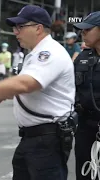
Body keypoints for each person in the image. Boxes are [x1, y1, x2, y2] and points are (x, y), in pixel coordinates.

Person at [0, 5, 75, 180]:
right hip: (33, 137)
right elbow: (36, 88)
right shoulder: (33, 54)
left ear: (38, 28)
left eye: (20, 27)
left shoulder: (49, 52)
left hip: (47, 138)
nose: (16, 32)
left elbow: (26, 84)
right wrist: (5, 94)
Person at [72, 11, 100, 180]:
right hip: (85, 126)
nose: (83, 33)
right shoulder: (82, 57)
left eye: (88, 29)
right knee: (85, 173)